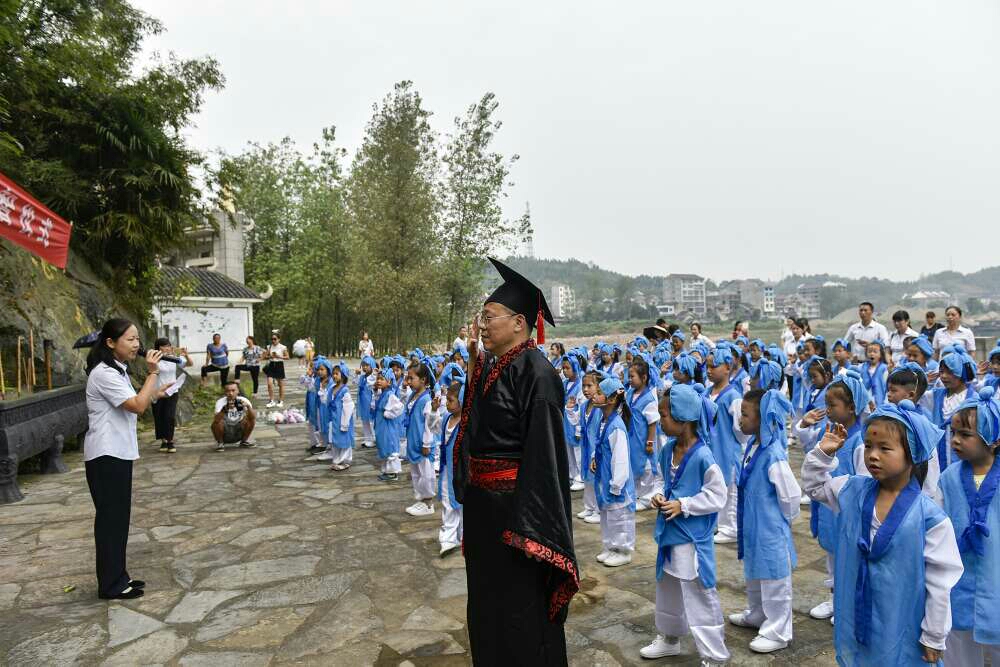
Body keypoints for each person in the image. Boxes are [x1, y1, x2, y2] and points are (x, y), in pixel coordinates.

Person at [453, 257, 577, 665]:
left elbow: (545, 458)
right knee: (487, 606)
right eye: (481, 318)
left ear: (519, 323)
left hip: (517, 521)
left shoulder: (537, 373)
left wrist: (531, 529)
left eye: (489, 317)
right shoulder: (492, 367)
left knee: (521, 613)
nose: (482, 325)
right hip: (486, 513)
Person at [801, 402, 964, 665]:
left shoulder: (930, 518)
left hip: (901, 616)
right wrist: (822, 454)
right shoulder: (851, 489)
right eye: (868, 446)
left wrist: (934, 635)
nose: (873, 455)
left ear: (912, 453)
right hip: (856, 609)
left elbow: (940, 581)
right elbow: (816, 487)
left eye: (885, 448)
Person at [85, 318, 173, 600]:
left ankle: (119, 577)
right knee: (111, 520)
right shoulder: (103, 373)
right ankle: (110, 585)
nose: (137, 344)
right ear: (111, 343)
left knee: (119, 519)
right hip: (105, 454)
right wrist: (152, 374)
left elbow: (136, 400)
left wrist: (155, 390)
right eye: (130, 339)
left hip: (118, 452)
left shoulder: (116, 370)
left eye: (137, 339)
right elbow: (136, 405)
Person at [643, 383, 729, 664]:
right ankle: (669, 638)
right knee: (667, 588)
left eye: (664, 415)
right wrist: (658, 494)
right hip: (669, 533)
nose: (661, 420)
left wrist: (686, 505)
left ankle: (714, 655)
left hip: (691, 539)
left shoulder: (703, 456)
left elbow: (718, 495)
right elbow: (660, 478)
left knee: (699, 594)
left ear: (683, 418)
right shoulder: (667, 450)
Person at [729, 388, 801, 654]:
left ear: (762, 419)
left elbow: (791, 496)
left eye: (745, 415)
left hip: (769, 528)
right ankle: (757, 614)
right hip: (754, 526)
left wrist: (779, 523)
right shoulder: (754, 444)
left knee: (774, 579)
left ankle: (779, 630)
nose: (740, 421)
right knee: (755, 573)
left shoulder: (773, 454)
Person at [939, 389, 1000, 665]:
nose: (955, 441)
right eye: (953, 433)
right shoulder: (949, 478)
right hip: (958, 578)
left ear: (994, 439)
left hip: (995, 575)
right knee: (959, 644)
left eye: (965, 435)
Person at [592, 376, 636, 567]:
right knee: (607, 517)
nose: (594, 395)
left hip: (615, 484)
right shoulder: (605, 421)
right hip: (605, 480)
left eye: (599, 392)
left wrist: (616, 484)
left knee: (620, 519)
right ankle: (610, 547)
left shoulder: (617, 426)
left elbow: (621, 460)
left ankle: (623, 550)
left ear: (611, 400)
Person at [403, 362, 436, 514]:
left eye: (411, 378)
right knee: (416, 472)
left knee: (426, 473)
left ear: (423, 380)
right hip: (414, 440)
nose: (408, 382)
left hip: (422, 443)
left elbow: (429, 424)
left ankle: (428, 502)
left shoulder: (426, 400)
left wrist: (426, 443)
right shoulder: (413, 396)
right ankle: (420, 499)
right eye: (407, 378)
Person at [151, 338, 191, 453]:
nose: (169, 348)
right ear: (159, 348)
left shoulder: (174, 359)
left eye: (169, 345)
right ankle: (163, 441)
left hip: (172, 391)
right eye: (166, 346)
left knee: (170, 416)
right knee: (159, 416)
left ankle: (170, 441)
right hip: (157, 392)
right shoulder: (155, 359)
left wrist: (185, 355)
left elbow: (189, 364)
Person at [327, 361, 356, 471]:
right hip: (334, 419)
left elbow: (348, 407)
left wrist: (345, 423)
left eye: (337, 374)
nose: (334, 376)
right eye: (333, 374)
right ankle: (336, 459)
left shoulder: (345, 391)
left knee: (344, 439)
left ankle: (346, 460)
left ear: (343, 375)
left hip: (342, 419)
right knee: (335, 440)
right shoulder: (331, 388)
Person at [212, 380, 256, 451]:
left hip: (239, 431)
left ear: (238, 391)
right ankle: (220, 443)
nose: (231, 393)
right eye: (228, 391)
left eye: (233, 390)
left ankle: (244, 441)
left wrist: (248, 407)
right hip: (225, 432)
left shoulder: (243, 400)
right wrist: (225, 409)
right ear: (225, 392)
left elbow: (253, 418)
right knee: (216, 422)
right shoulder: (220, 402)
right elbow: (216, 421)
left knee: (250, 419)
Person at [264, 331, 288, 408]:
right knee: (269, 383)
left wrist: (278, 356)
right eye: (272, 339)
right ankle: (271, 400)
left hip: (279, 365)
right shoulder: (269, 347)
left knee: (280, 384)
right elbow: (265, 356)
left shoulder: (283, 347)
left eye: (275, 339)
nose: (273, 341)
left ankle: (281, 400)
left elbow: (287, 357)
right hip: (271, 365)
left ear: (279, 339)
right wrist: (270, 356)